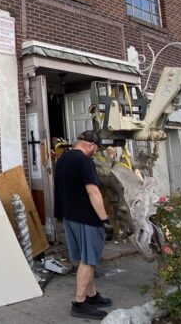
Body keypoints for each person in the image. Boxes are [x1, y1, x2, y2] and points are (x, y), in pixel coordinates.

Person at [54, 130, 113, 319]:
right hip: (87, 218)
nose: (95, 152)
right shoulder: (85, 161)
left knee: (84, 259)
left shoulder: (62, 160)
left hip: (69, 216)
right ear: (91, 145)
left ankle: (92, 295)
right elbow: (93, 192)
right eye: (96, 149)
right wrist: (104, 219)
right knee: (89, 260)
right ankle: (79, 303)